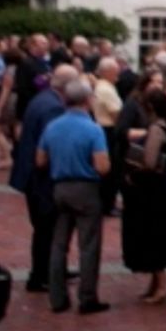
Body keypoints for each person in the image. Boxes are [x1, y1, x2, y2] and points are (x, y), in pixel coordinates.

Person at [36, 79, 111, 315]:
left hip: (59, 187)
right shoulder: (93, 129)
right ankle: (87, 297)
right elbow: (102, 166)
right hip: (85, 188)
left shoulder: (53, 126)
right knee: (88, 244)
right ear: (87, 100)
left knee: (59, 244)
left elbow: (40, 160)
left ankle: (57, 298)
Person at [10, 64, 78, 293]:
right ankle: (41, 275)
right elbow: (51, 146)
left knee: (46, 228)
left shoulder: (43, 99)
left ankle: (51, 269)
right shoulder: (53, 108)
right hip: (42, 179)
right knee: (47, 229)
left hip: (32, 176)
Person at [122, 84, 166, 303]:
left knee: (154, 233)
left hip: (155, 188)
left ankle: (162, 284)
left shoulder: (157, 129)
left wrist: (134, 164)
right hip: (164, 184)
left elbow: (149, 161)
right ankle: (155, 283)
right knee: (158, 233)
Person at [92, 57, 124, 214]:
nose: (118, 72)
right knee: (111, 169)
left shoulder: (105, 86)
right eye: (115, 70)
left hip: (106, 128)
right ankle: (107, 204)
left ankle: (107, 202)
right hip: (108, 129)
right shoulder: (105, 89)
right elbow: (115, 113)